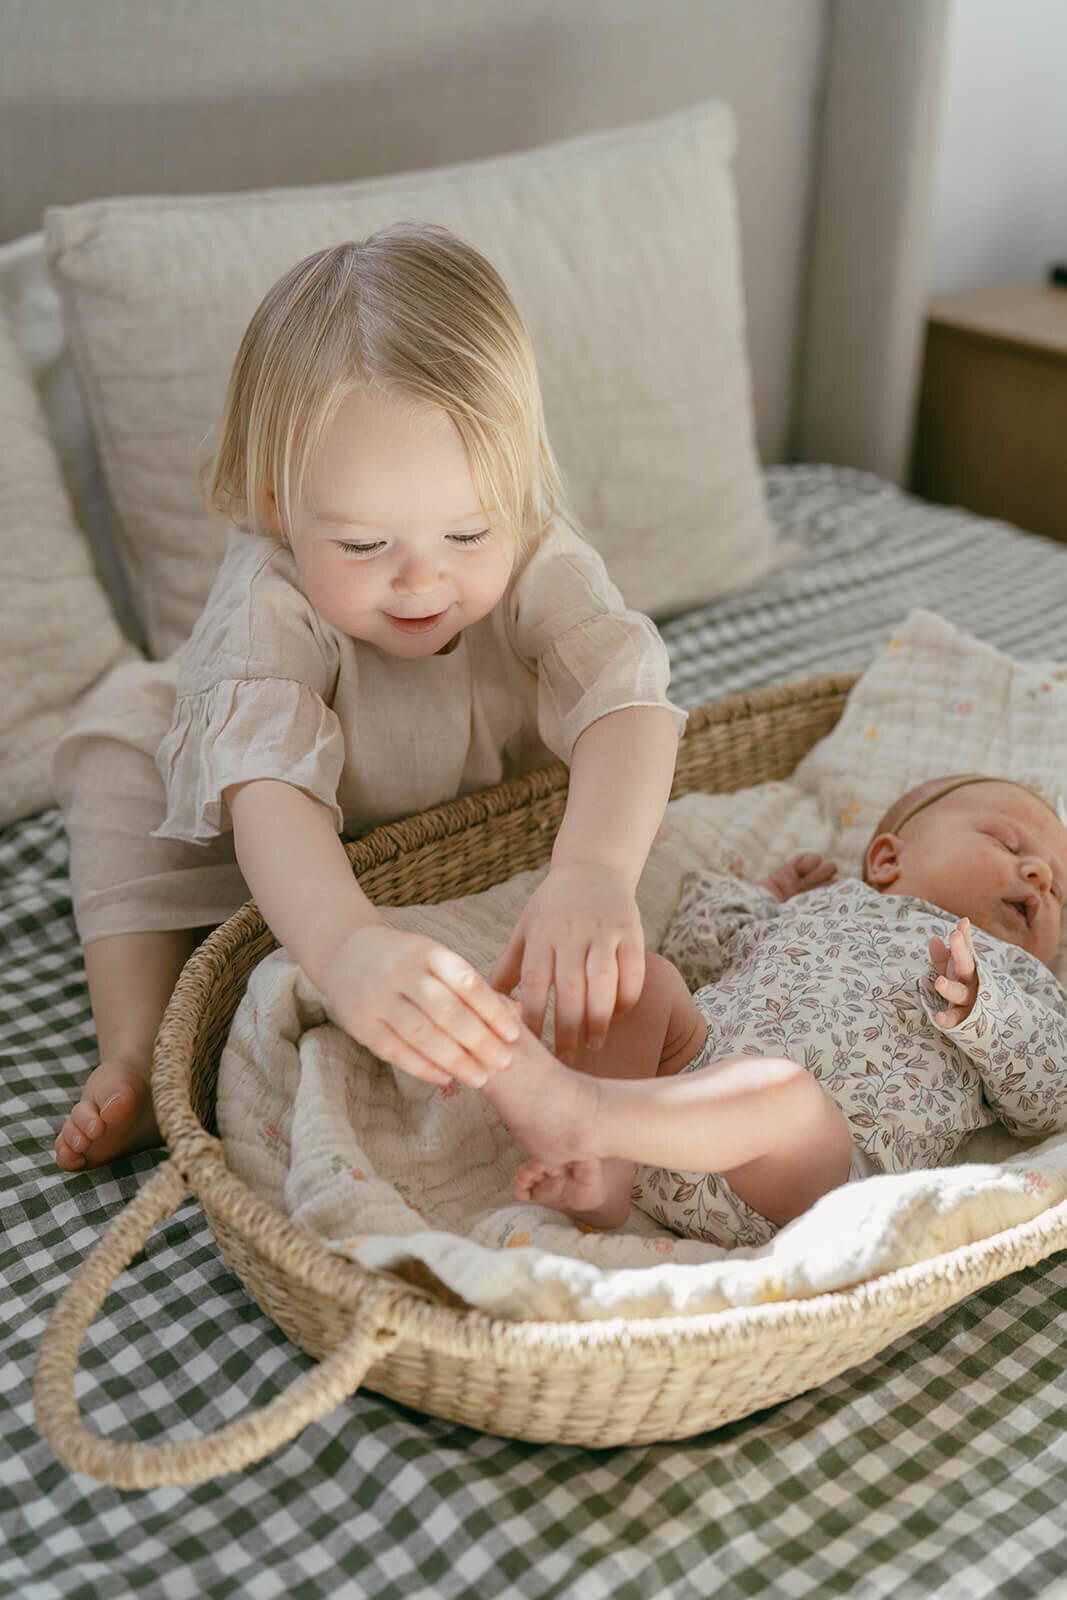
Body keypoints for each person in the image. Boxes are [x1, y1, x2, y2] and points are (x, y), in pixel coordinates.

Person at [53, 223, 684, 1171]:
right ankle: (142, 1054)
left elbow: (627, 697)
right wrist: (345, 949)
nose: (422, 584)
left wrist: (592, 869)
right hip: (278, 843)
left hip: (464, 813)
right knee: (114, 759)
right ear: (277, 504)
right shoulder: (266, 603)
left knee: (617, 807)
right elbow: (270, 798)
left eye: (467, 535)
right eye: (361, 547)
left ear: (510, 492)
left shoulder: (531, 544)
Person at [480, 775, 1067, 1245]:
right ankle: (601, 1173)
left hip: (813, 1169)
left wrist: (981, 1007)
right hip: (681, 1086)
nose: (1039, 876)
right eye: (1008, 843)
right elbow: (698, 952)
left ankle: (581, 1113)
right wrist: (763, 894)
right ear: (888, 860)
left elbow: (1048, 1096)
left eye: (1060, 890)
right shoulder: (824, 903)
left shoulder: (1017, 978)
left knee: (779, 1092)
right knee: (648, 979)